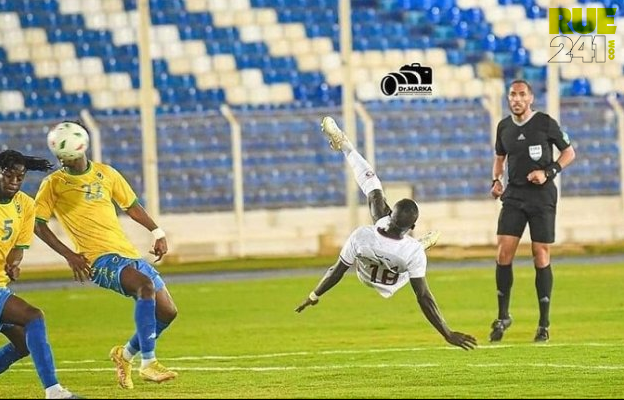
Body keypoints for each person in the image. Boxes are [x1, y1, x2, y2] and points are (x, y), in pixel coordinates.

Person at [295, 117, 477, 351]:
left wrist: (314, 295)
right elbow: (424, 297)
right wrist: (447, 333)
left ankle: (346, 146)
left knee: (374, 192)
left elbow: (336, 271)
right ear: (412, 227)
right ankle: (423, 244)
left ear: (390, 216)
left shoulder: (362, 235)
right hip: (394, 279)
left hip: (366, 273)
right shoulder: (412, 251)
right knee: (412, 254)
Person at [33, 121, 178, 389]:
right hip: (98, 259)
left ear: (82, 145)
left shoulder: (106, 173)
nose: (64, 158)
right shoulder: (53, 184)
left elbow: (131, 206)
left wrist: (157, 232)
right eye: (61, 154)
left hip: (127, 254)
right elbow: (38, 224)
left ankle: (125, 355)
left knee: (168, 311)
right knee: (145, 287)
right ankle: (149, 363)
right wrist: (70, 255)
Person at [490, 79, 576, 342]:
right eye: (512, 95)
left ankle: (543, 324)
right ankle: (503, 316)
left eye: (521, 95)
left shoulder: (545, 123)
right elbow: (500, 158)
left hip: (541, 196)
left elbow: (569, 153)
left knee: (540, 254)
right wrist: (496, 181)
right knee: (503, 252)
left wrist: (548, 172)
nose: (516, 99)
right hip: (514, 195)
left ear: (530, 98)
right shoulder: (504, 127)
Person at [0, 150, 81, 399]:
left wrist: (14, 264)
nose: (14, 182)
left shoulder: (25, 205)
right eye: (8, 176)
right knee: (33, 317)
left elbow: (18, 248)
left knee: (24, 342)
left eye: (20, 177)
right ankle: (53, 390)